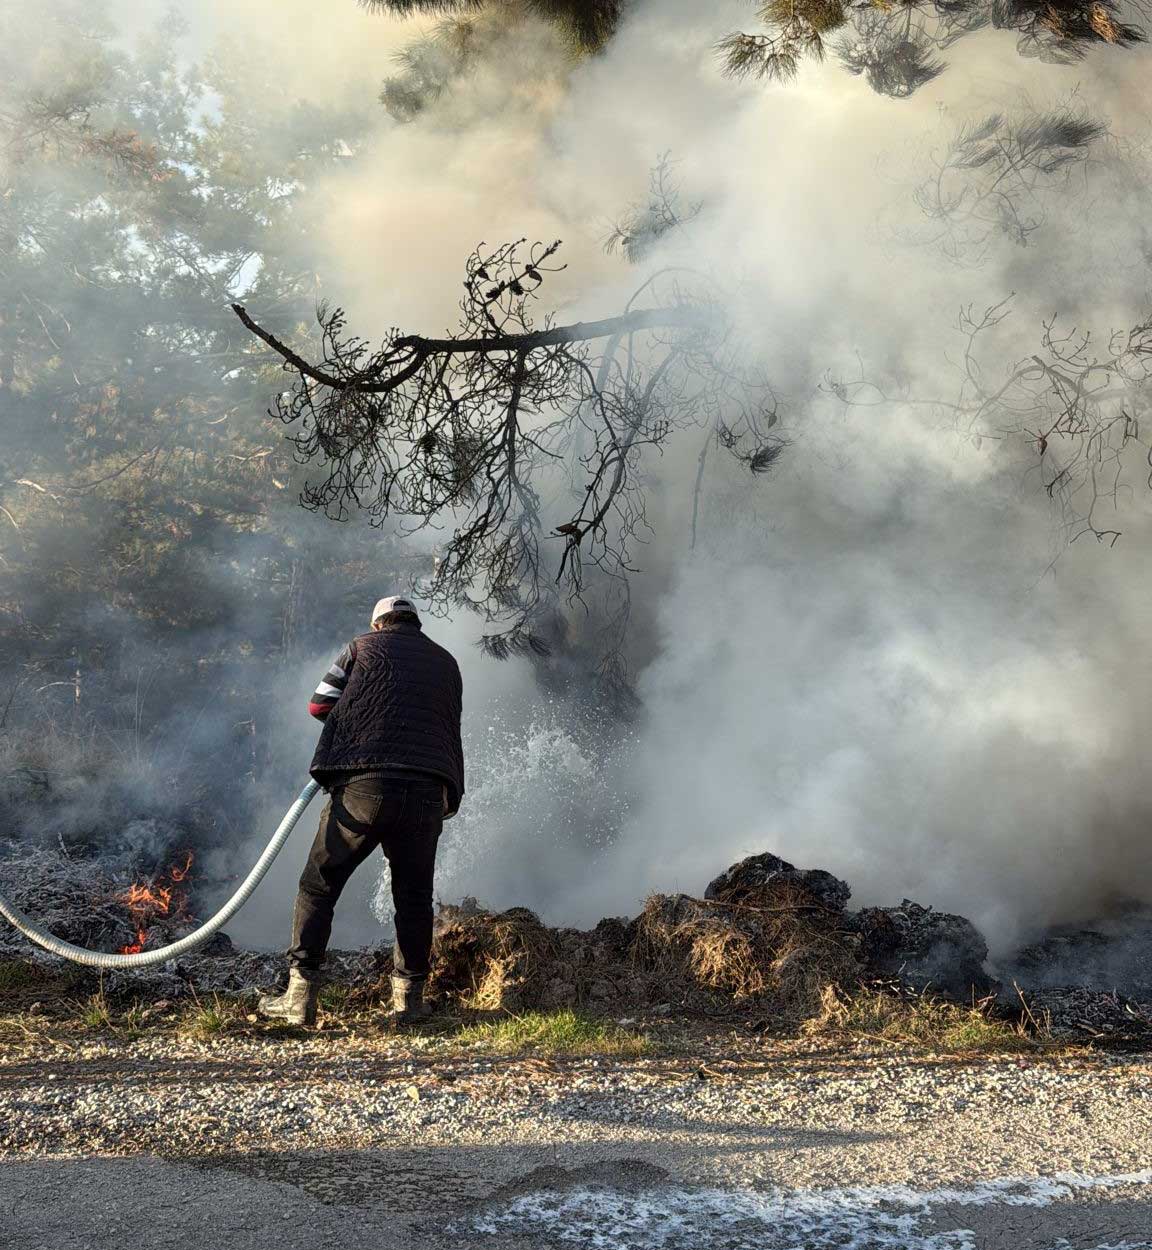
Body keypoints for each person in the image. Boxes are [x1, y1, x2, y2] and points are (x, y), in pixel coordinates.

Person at [259, 595, 464, 1026]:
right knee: (413, 898)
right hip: (427, 790)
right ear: (415, 624)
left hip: (366, 784)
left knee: (319, 884)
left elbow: (319, 704)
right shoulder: (447, 662)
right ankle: (409, 1003)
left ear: (377, 625)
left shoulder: (361, 648)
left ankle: (300, 998)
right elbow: (445, 724)